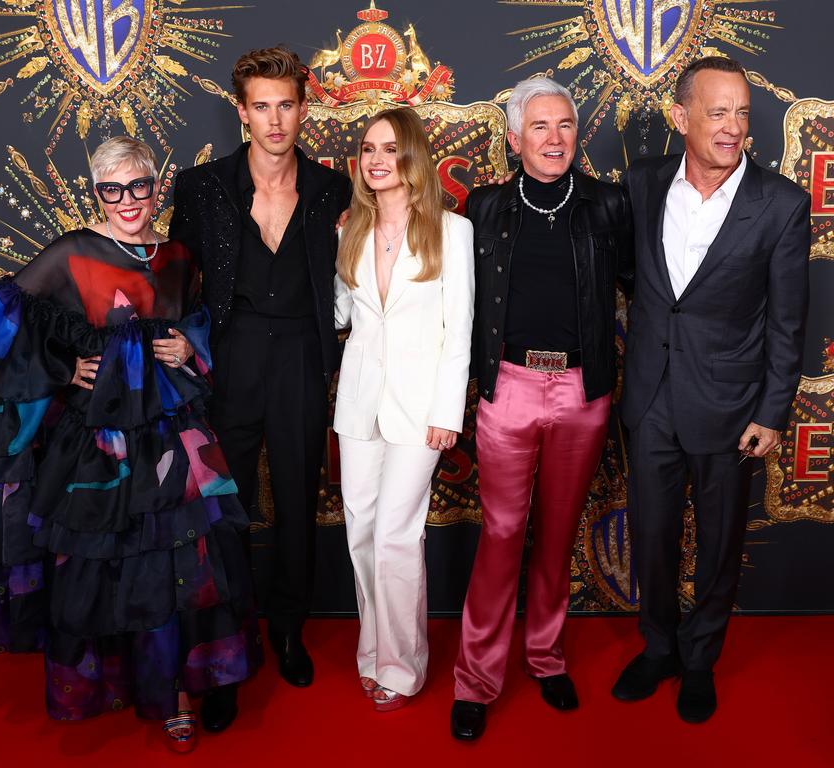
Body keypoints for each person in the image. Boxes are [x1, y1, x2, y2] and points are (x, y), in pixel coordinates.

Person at [0, 136, 260, 753]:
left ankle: (172, 691)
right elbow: (2, 319)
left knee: (181, 562)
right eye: (110, 189)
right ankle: (117, 677)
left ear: (155, 186)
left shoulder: (176, 256)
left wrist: (185, 348)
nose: (126, 201)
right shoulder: (72, 253)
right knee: (104, 558)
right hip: (100, 441)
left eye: (137, 186)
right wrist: (65, 371)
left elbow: (194, 321)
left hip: (175, 437)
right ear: (96, 192)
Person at [612, 56, 809, 723]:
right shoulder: (641, 184)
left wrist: (772, 411)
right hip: (650, 399)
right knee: (652, 536)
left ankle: (700, 661)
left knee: (721, 544)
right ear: (680, 117)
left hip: (731, 409)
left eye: (743, 113)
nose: (733, 128)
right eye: (718, 111)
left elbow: (788, 323)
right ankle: (660, 645)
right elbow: (638, 287)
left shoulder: (781, 204)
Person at [168, 46, 351, 728]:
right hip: (230, 356)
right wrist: (182, 341)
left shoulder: (335, 189)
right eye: (261, 107)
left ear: (304, 108)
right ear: (241, 111)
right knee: (228, 507)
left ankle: (288, 631)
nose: (275, 122)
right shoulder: (203, 188)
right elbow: (182, 281)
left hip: (303, 353)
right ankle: (226, 650)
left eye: (287, 105)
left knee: (300, 499)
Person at [451, 77, 633, 740]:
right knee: (501, 535)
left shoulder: (609, 206)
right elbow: (457, 302)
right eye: (539, 127)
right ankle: (476, 679)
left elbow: (648, 292)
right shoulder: (485, 209)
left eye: (564, 126)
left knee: (557, 531)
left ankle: (547, 657)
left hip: (584, 392)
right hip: (510, 387)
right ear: (513, 138)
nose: (554, 139)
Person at [333, 107, 474, 711]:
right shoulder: (350, 230)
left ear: (412, 156)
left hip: (422, 409)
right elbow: (342, 315)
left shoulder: (452, 231)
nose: (376, 160)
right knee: (361, 530)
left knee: (395, 532)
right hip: (358, 402)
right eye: (368, 149)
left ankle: (402, 665)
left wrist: (448, 410)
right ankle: (371, 650)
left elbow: (459, 330)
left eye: (389, 148)